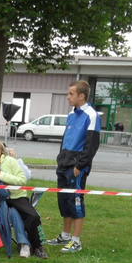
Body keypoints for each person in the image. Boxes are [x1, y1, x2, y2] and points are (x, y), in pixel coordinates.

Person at [46, 80, 101, 253]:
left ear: (81, 96)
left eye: (71, 94)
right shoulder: (71, 114)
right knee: (64, 201)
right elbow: (66, 140)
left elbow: (92, 145)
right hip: (64, 163)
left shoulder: (92, 115)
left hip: (77, 166)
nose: (67, 97)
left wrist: (80, 166)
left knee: (76, 201)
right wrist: (60, 158)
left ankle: (76, 241)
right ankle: (65, 235)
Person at [0, 138, 46, 258]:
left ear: (2, 151)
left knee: (33, 216)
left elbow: (22, 180)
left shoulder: (11, 161)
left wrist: (2, 175)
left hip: (16, 196)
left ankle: (37, 245)